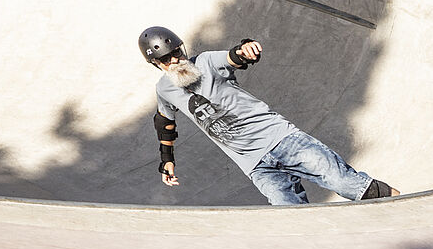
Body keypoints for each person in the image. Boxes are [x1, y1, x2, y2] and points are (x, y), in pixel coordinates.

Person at [138, 26, 399, 206]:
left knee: (349, 184)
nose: (175, 61)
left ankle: (405, 213)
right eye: (166, 60)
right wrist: (166, 160)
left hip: (284, 141)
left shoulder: (205, 61)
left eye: (177, 54)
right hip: (255, 166)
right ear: (156, 65)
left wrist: (245, 49)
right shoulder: (164, 90)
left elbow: (233, 57)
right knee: (292, 219)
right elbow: (164, 123)